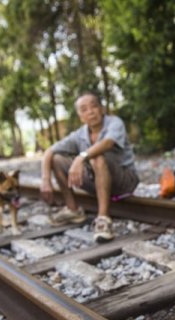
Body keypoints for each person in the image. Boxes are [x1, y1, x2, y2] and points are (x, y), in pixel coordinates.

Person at [40, 92, 139, 243]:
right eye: (84, 109)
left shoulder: (114, 122)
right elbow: (49, 152)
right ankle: (73, 210)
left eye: (94, 106)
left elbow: (107, 143)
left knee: (97, 157)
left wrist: (81, 157)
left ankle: (103, 219)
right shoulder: (80, 134)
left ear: (102, 109)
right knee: (56, 159)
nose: (90, 111)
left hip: (124, 180)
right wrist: (46, 179)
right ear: (80, 116)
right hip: (97, 181)